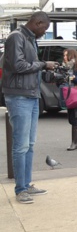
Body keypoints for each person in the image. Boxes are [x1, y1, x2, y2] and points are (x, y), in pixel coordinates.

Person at [1, 11, 55, 204]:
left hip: (30, 95)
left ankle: (26, 184)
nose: (45, 32)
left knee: (29, 145)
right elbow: (18, 65)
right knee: (21, 145)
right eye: (45, 28)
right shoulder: (17, 37)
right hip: (19, 96)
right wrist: (42, 64)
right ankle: (20, 189)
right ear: (37, 23)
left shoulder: (29, 38)